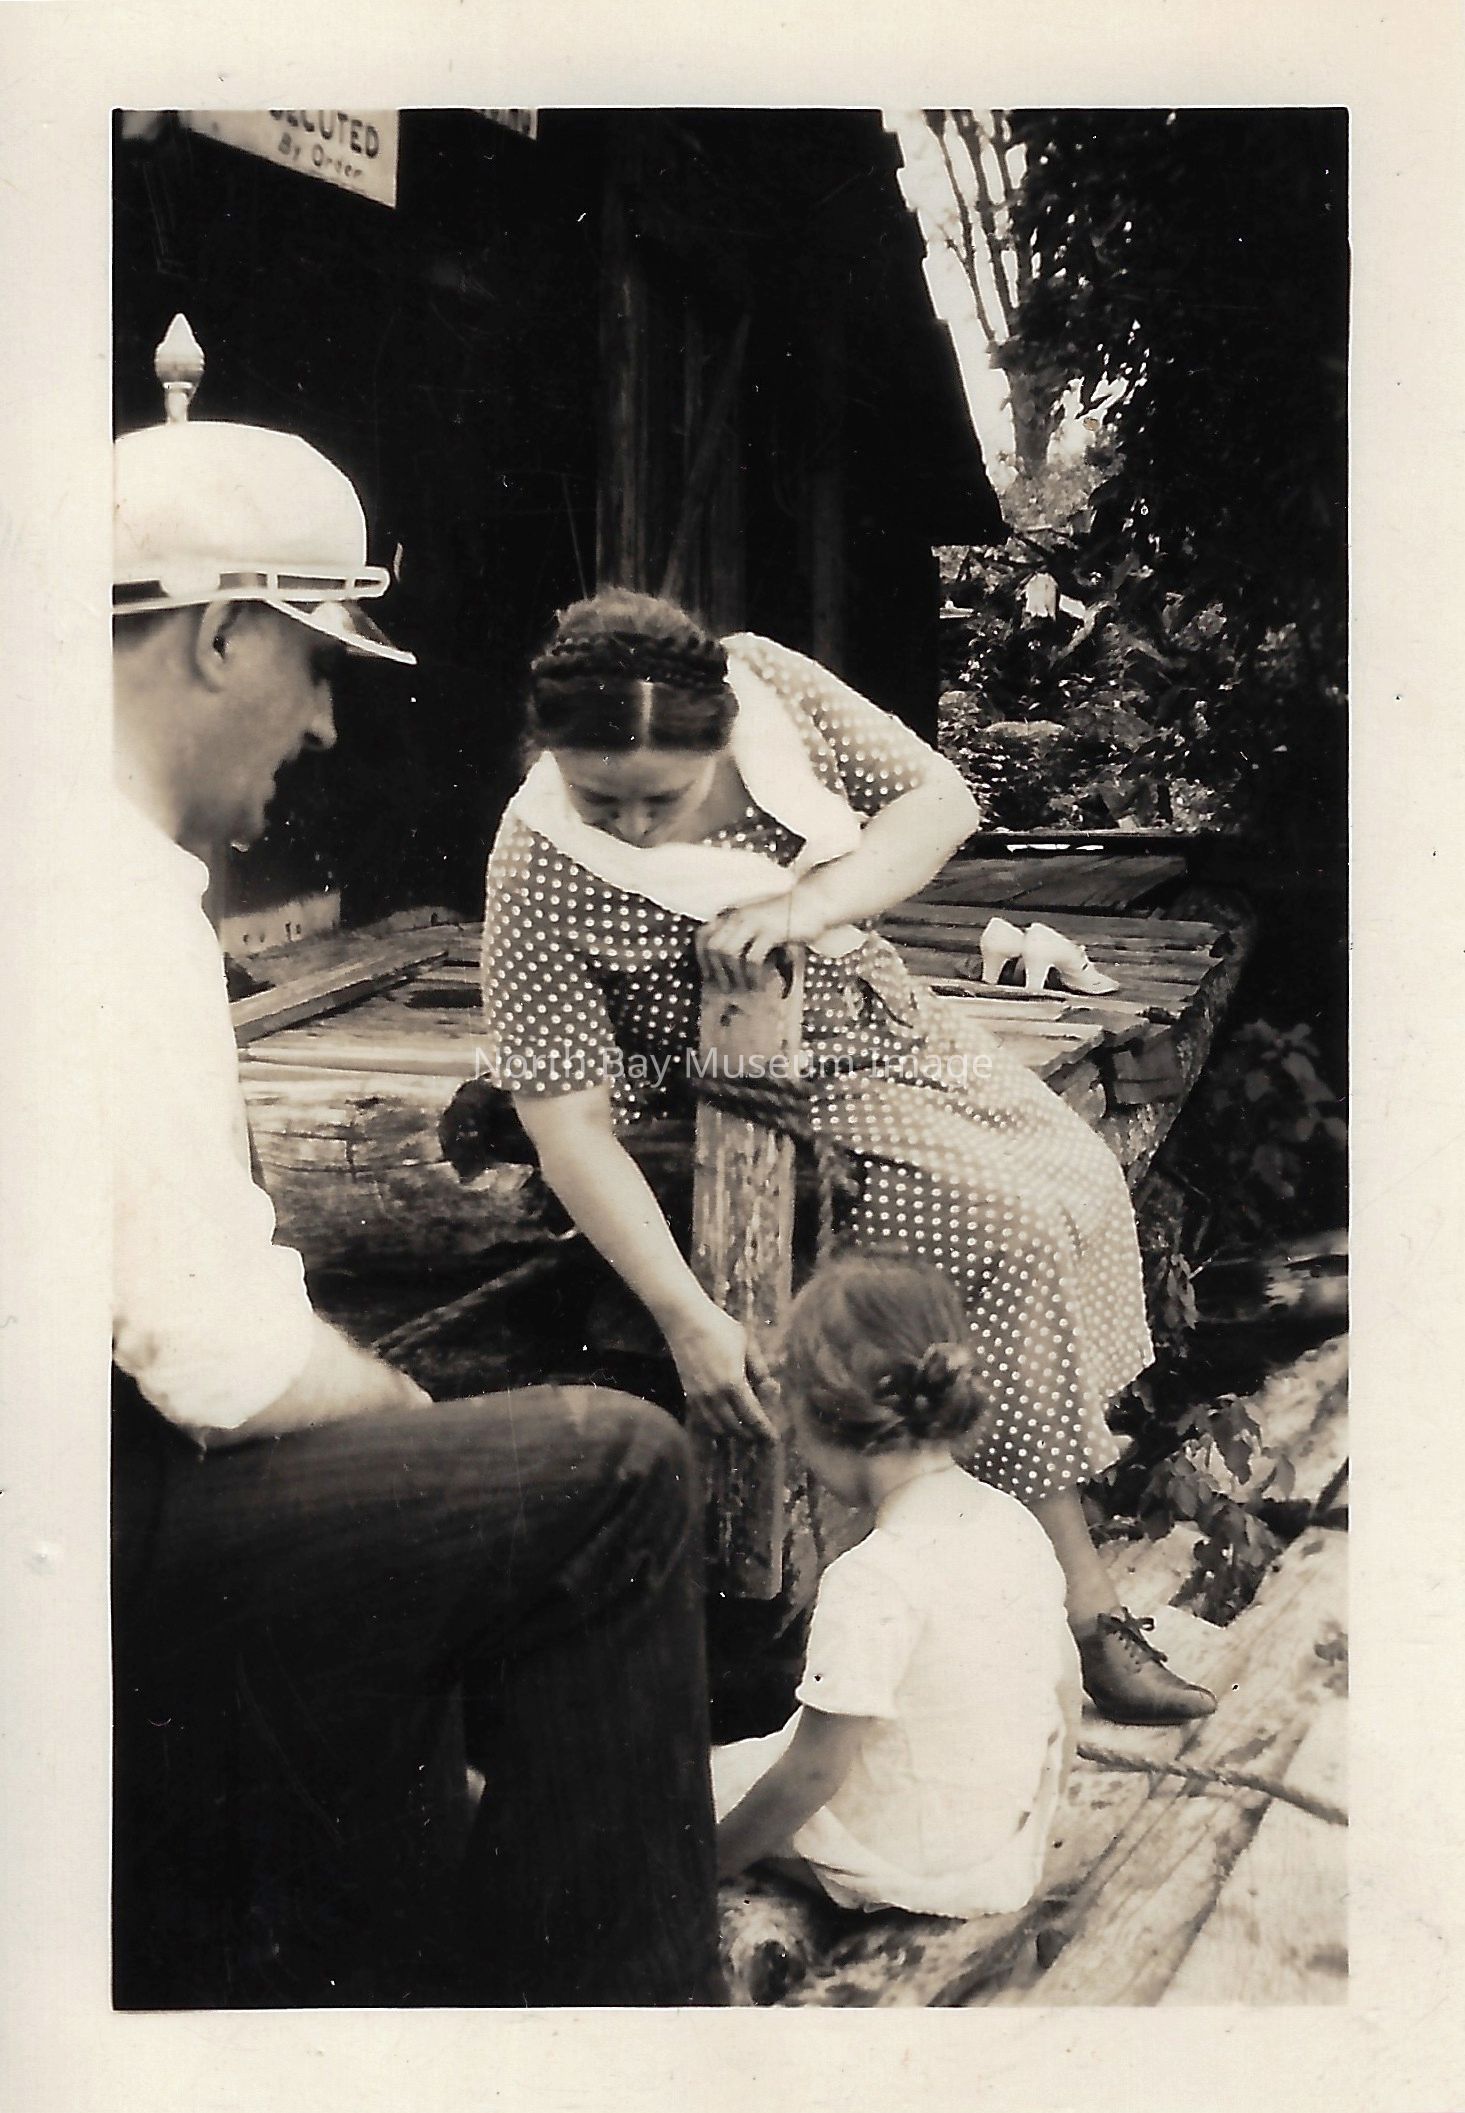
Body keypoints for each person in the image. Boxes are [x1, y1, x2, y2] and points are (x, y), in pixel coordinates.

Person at [109, 325, 720, 2007]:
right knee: (607, 1470)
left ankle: (387, 1935)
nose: (323, 725)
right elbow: (217, 1358)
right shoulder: (108, 896)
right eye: (317, 665)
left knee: (421, 1505)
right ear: (221, 632)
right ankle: (624, 2037)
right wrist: (404, 1415)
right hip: (80, 1537)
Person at [479, 587, 1215, 1724]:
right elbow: (564, 1121)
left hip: (891, 1020)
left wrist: (810, 900)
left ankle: (990, 1564)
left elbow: (939, 799)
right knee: (1007, 1234)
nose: (630, 826)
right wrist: (685, 1316)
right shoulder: (540, 864)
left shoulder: (770, 688)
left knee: (1079, 1181)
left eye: (660, 797)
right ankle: (1080, 1612)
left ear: (722, 733)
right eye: (598, 797)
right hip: (770, 1091)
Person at [713, 1253, 1080, 1915]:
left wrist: (698, 1870)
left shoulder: (873, 1575)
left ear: (821, 1418)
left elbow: (814, 1771)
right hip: (995, 1854)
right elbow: (1065, 1685)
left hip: (905, 1865)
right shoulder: (1013, 1521)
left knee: (698, 1783)